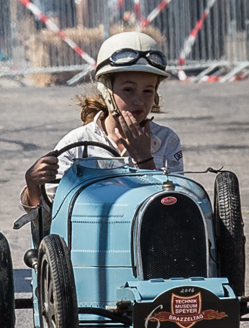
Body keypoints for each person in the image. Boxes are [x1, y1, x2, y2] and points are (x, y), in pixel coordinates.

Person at [21, 32, 182, 209]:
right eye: (128, 89)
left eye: (148, 91)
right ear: (106, 91)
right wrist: (32, 185)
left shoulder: (167, 141)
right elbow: (52, 213)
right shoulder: (77, 144)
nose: (139, 100)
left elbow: (174, 208)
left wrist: (144, 160)